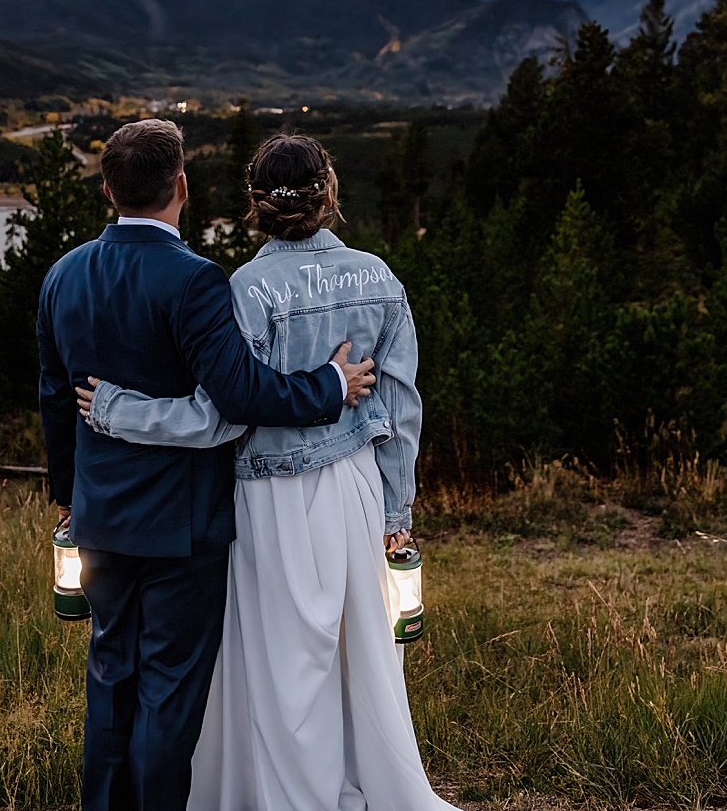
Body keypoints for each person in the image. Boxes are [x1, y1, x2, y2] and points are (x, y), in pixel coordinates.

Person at [77, 133, 458, 811]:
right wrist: (397, 515)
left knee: (287, 666)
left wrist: (120, 411)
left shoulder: (244, 289)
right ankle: (359, 783)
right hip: (357, 488)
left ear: (254, 203)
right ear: (330, 193)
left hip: (269, 497)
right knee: (358, 656)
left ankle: (290, 793)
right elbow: (402, 409)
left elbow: (219, 418)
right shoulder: (379, 278)